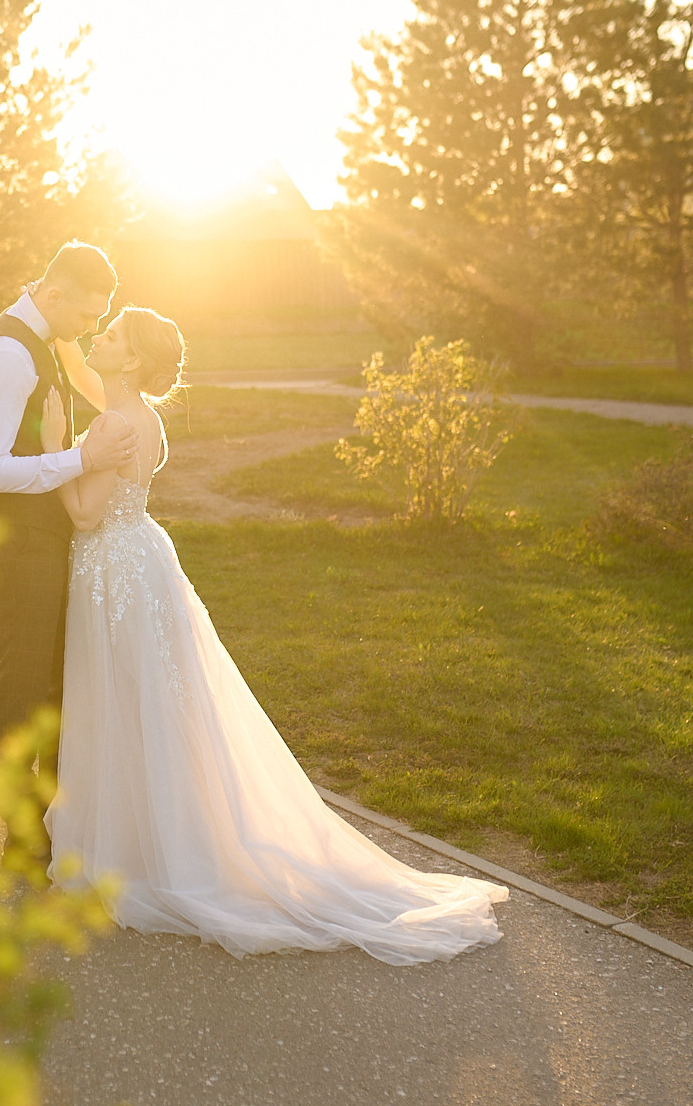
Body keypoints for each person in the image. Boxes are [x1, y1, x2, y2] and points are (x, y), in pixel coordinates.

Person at [45, 307, 508, 963]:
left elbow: (87, 514)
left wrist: (53, 449)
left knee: (127, 703)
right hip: (142, 564)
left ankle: (145, 850)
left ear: (135, 361)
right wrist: (63, 339)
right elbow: (102, 396)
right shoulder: (135, 413)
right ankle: (173, 836)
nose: (100, 338)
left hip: (112, 572)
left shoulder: (110, 425)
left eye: (112, 336)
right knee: (161, 706)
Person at [0, 242, 138, 867]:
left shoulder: (43, 338)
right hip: (14, 541)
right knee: (23, 688)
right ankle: (21, 840)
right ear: (54, 294)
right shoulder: (9, 355)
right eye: (86, 317)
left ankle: (59, 826)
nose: (88, 331)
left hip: (47, 539)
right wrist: (81, 460)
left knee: (62, 687)